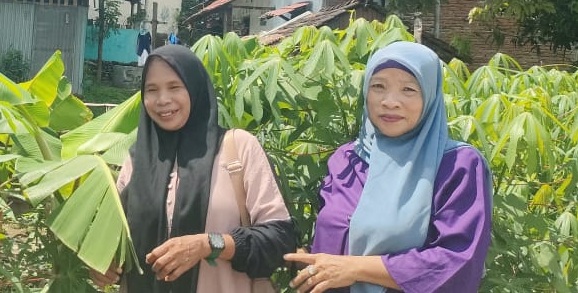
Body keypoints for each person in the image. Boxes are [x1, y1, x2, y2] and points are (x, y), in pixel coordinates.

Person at [285, 41, 493, 293]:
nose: (390, 101)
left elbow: (458, 262)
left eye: (408, 89)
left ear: (430, 96)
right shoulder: (347, 159)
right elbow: (333, 244)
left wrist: (355, 269)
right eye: (378, 86)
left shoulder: (458, 164)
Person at [92, 44, 296, 291]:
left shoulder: (238, 148)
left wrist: (209, 245)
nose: (162, 100)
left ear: (195, 88)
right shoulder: (137, 160)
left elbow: (280, 240)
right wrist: (103, 263)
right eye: (152, 90)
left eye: (174, 87)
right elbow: (115, 242)